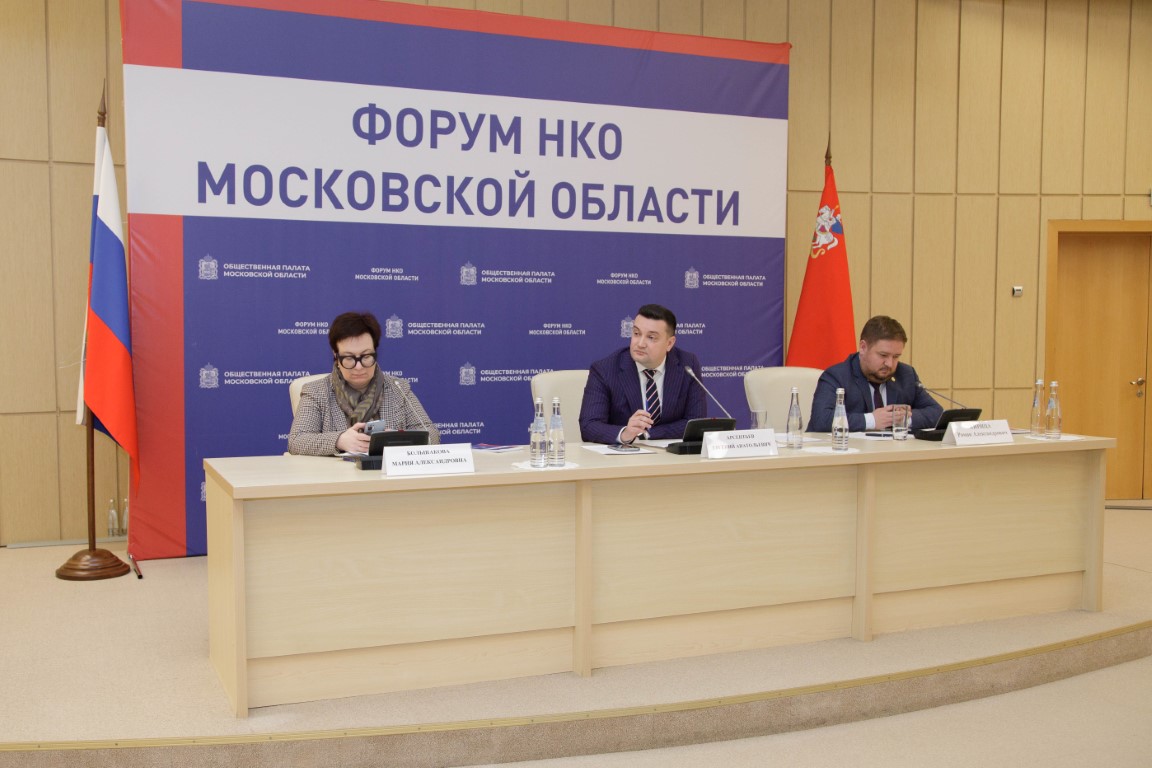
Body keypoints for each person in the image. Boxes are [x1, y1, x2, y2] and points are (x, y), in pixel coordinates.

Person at [288, 311, 439, 455]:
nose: (359, 367)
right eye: (349, 358)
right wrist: (339, 440)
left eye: (366, 356)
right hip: (335, 473)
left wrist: (399, 439)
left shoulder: (398, 388)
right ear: (336, 356)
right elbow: (296, 440)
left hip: (387, 472)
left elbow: (431, 434)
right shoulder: (316, 391)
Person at [579, 304, 708, 444]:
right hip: (626, 454)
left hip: (672, 454)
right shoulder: (605, 370)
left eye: (651, 337)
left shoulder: (687, 365)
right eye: (636, 333)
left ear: (669, 343)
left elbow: (696, 422)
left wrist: (646, 434)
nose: (640, 344)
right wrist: (625, 433)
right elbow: (589, 425)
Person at [808, 315, 942, 433]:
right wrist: (872, 420)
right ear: (863, 347)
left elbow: (937, 412)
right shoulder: (837, 376)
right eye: (883, 355)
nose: (890, 364)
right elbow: (821, 420)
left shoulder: (906, 375)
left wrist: (901, 419)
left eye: (896, 356)